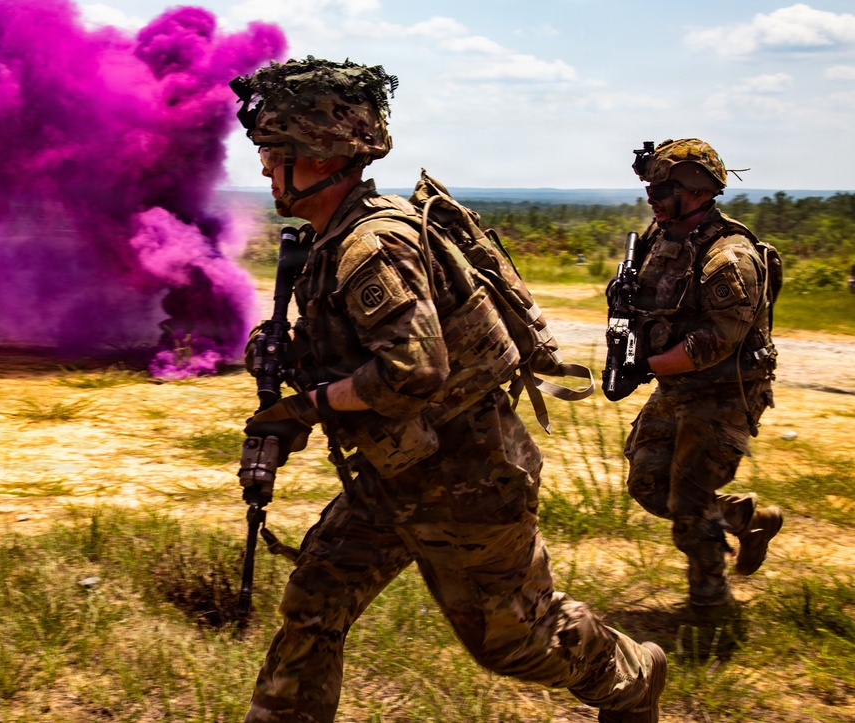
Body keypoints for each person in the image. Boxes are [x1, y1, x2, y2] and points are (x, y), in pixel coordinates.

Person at [230, 57, 666, 723]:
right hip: (394, 471)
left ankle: (633, 675)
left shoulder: (372, 245)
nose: (264, 170)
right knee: (316, 600)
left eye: (273, 153)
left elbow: (413, 369)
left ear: (319, 155)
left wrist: (307, 407)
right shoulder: (337, 238)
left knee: (517, 640)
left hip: (467, 475)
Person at [619, 138, 783, 616]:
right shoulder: (662, 237)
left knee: (688, 505)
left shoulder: (729, 257)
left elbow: (717, 341)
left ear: (694, 190)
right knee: (648, 483)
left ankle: (710, 604)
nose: (650, 197)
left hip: (725, 392)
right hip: (681, 385)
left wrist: (645, 366)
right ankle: (744, 518)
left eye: (660, 188)